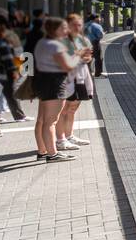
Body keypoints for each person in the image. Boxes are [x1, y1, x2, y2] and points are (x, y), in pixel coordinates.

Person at [32, 16, 88, 163]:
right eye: (63, 28)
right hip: (54, 83)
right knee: (51, 121)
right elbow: (68, 66)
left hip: (42, 81)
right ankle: (52, 154)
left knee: (43, 120)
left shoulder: (42, 43)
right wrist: (79, 55)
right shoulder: (55, 46)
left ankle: (43, 151)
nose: (66, 30)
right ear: (54, 30)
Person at [55, 13, 94, 152]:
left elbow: (88, 58)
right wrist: (79, 53)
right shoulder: (62, 40)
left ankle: (69, 136)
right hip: (66, 78)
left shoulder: (83, 39)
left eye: (79, 25)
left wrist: (86, 56)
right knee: (63, 110)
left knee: (73, 108)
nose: (77, 28)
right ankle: (60, 140)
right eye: (74, 25)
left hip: (81, 76)